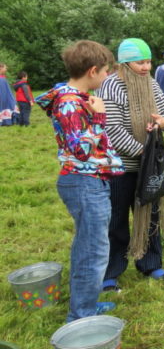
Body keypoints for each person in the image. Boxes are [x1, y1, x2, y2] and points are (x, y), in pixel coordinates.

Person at [35, 40, 123, 322]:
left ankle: (86, 303)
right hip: (83, 182)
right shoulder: (70, 103)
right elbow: (81, 149)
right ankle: (81, 316)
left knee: (89, 246)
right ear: (93, 71)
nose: (108, 76)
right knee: (94, 250)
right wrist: (99, 117)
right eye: (106, 71)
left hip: (89, 181)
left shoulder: (76, 99)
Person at [96, 38, 164, 293]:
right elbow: (113, 130)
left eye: (149, 61)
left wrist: (163, 123)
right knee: (115, 220)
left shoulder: (151, 84)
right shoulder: (111, 86)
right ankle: (110, 272)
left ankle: (150, 264)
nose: (146, 67)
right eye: (140, 62)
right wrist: (145, 154)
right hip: (119, 167)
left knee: (150, 216)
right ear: (125, 63)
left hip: (148, 166)